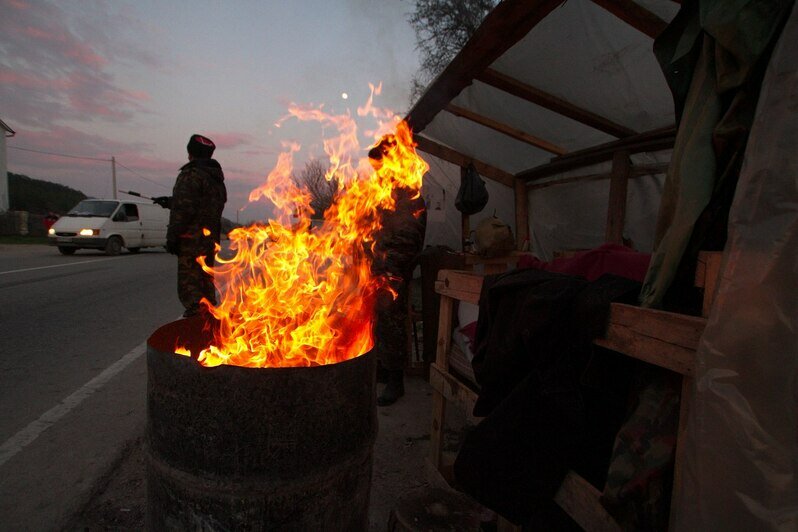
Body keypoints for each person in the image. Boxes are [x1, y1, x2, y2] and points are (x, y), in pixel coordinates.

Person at [368, 138, 427, 406]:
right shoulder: (382, 193)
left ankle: (395, 379)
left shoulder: (409, 195)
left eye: (381, 162)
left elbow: (407, 238)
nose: (378, 169)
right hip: (375, 268)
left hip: (393, 272)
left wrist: (388, 269)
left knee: (392, 323)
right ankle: (381, 368)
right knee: (373, 321)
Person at [154, 134, 227, 318]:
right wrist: (171, 201)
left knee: (192, 290)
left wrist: (172, 237)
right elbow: (203, 205)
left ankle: (196, 328)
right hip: (209, 242)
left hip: (191, 242)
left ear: (191, 153)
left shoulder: (191, 175)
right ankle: (209, 324)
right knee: (206, 284)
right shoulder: (215, 180)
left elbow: (184, 210)